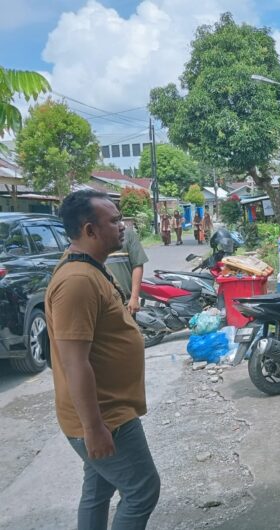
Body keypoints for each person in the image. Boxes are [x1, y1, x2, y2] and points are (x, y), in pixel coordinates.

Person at [46, 190, 160, 529]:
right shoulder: (78, 281)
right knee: (142, 490)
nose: (122, 226)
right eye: (114, 221)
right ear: (89, 230)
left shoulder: (90, 269)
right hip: (105, 416)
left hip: (106, 412)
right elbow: (74, 362)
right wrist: (94, 428)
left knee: (99, 489)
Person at [106, 222, 149, 315]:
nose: (121, 226)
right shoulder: (91, 237)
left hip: (126, 303)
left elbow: (137, 265)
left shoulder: (128, 235)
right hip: (101, 305)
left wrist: (134, 298)